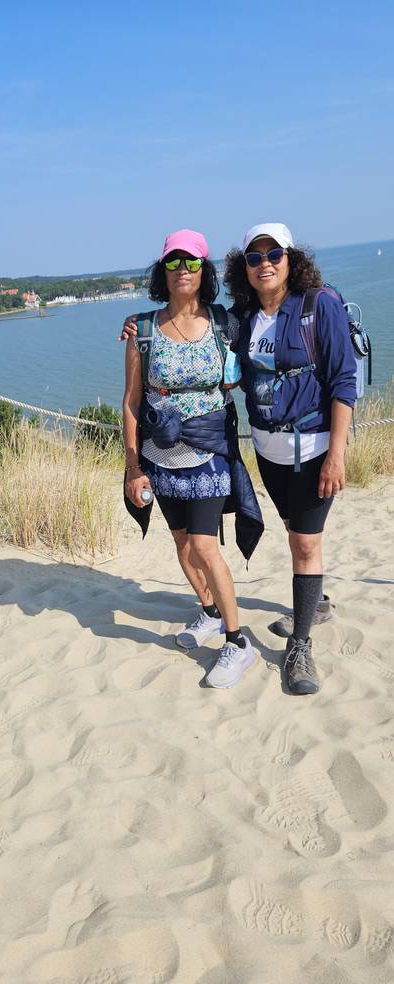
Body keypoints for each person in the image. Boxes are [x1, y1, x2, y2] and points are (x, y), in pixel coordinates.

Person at [122, 228, 263, 689]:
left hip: (211, 451)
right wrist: (133, 467)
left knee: (205, 545)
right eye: (173, 261)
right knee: (182, 546)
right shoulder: (142, 328)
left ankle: (237, 640)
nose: (182, 269)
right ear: (162, 270)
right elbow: (130, 401)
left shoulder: (226, 323)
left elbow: (272, 322)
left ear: (205, 271)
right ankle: (206, 611)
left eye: (192, 261)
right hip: (160, 458)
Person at [223, 223, 357, 695]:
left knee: (304, 544)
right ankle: (315, 601)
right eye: (254, 257)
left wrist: (336, 455)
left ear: (290, 258)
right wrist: (139, 323)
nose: (265, 264)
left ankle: (300, 646)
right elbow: (196, 324)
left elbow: (343, 381)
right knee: (296, 533)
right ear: (244, 267)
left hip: (315, 451)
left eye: (274, 254)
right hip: (267, 452)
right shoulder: (242, 316)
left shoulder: (318, 306)